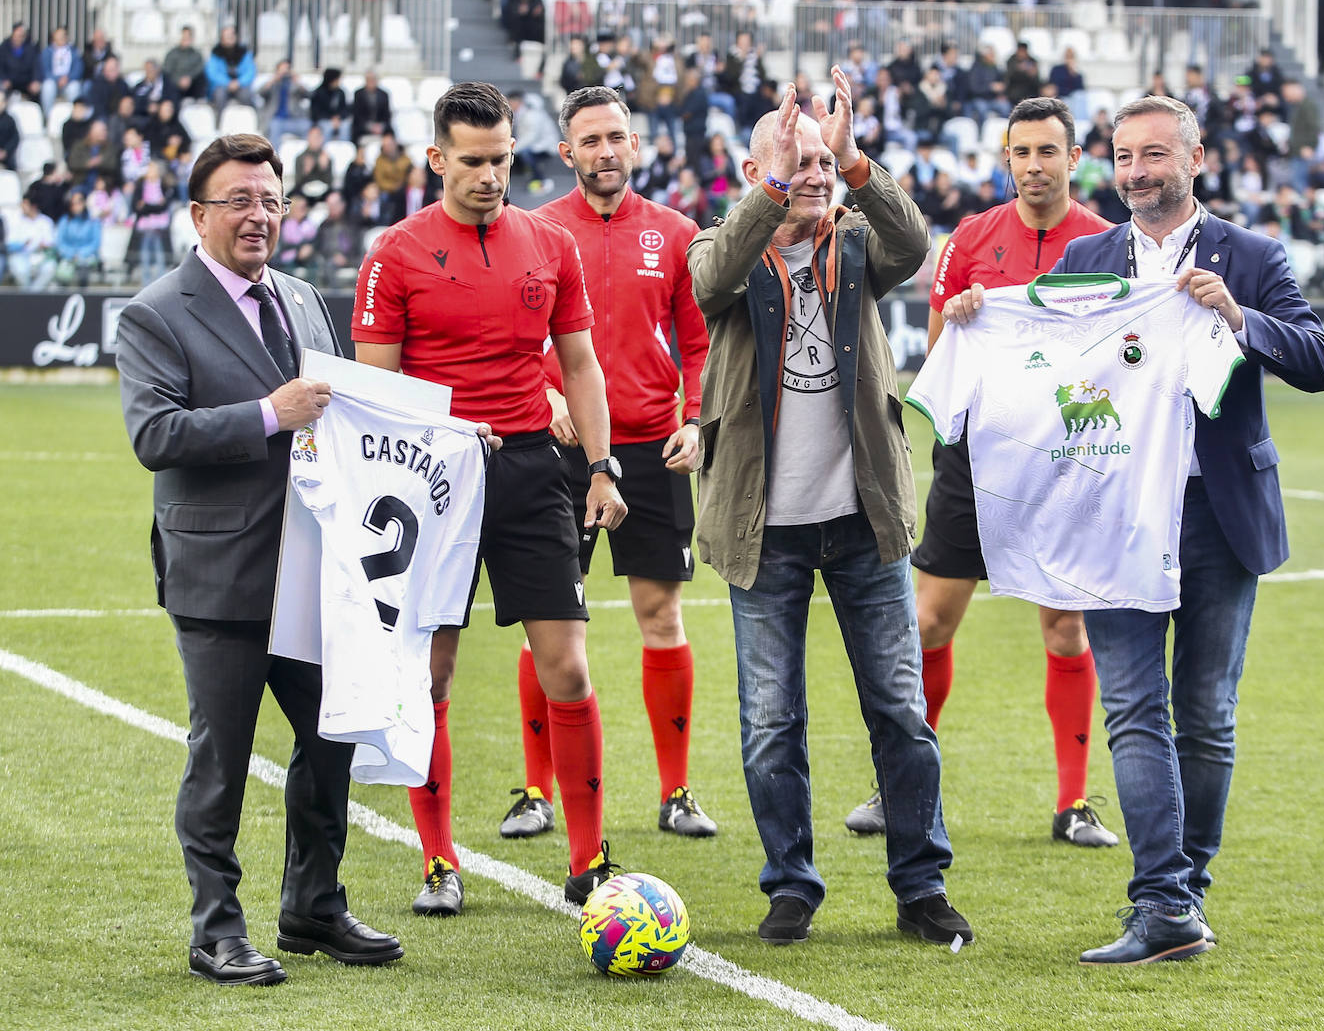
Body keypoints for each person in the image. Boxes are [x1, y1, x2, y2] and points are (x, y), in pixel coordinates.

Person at [1033, 95, 1324, 963]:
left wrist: (1242, 318)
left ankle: (1183, 889)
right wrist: (985, 318)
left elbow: (1320, 360)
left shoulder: (1251, 254)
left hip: (1216, 513)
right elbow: (1043, 362)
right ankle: (1162, 899)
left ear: (1195, 158)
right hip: (1116, 512)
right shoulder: (1087, 258)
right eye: (1125, 157)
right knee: (1133, 708)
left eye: (1155, 155)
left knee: (1205, 714)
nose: (1137, 172)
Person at [686, 69, 972, 946]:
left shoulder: (856, 244)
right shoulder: (724, 243)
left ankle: (920, 885)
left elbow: (914, 242)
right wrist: (774, 188)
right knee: (773, 720)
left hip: (864, 520)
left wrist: (853, 160)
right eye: (793, 161)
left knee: (899, 709)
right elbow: (710, 283)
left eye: (818, 162)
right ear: (756, 165)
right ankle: (791, 886)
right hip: (759, 524)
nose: (809, 174)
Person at [115, 133, 403, 985]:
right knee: (223, 755)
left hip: (316, 570)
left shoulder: (306, 298)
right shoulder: (155, 311)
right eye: (239, 200)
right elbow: (154, 435)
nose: (259, 215)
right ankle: (216, 930)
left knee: (331, 739)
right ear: (198, 214)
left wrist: (452, 436)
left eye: (271, 200)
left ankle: (313, 906)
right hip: (222, 575)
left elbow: (350, 409)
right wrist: (270, 414)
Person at [350, 82, 627, 917]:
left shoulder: (549, 243)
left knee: (569, 665)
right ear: (438, 159)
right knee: (433, 669)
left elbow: (578, 364)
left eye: (501, 159)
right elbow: (378, 387)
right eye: (472, 161)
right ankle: (438, 859)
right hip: (432, 482)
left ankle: (589, 860)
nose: (489, 175)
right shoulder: (394, 253)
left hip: (534, 473)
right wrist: (444, 439)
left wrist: (605, 464)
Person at [841, 98, 1120, 851]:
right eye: (1021, 152)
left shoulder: (1105, 242)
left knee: (1065, 625)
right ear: (1006, 160)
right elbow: (937, 355)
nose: (1034, 165)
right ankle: (899, 782)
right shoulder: (971, 238)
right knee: (929, 621)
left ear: (1073, 157)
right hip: (977, 457)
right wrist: (964, 316)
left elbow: (1123, 354)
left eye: (1047, 152)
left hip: (1066, 462)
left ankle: (1073, 802)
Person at [496, 85, 714, 843]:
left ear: (635, 143)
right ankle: (535, 790)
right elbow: (517, 341)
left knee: (662, 614)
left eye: (616, 136)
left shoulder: (678, 231)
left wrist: (694, 420)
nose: (606, 151)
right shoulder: (533, 230)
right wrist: (545, 395)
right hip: (559, 454)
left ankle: (677, 790)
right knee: (549, 627)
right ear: (567, 153)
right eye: (590, 140)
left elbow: (699, 344)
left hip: (653, 448)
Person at [8, 194, 57, 288]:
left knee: (50, 268)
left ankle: (33, 296)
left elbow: (51, 243)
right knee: (20, 270)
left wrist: (44, 245)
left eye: (25, 204)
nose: (22, 207)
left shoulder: (46, 221)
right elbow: (9, 244)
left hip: (41, 256)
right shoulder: (16, 221)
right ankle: (27, 297)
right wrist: (23, 244)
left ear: (33, 206)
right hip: (21, 255)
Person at [206, 25, 256, 116]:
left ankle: (249, 121)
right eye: (227, 37)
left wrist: (239, 82)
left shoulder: (244, 52)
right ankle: (220, 123)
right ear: (222, 39)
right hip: (222, 86)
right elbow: (212, 73)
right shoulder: (216, 53)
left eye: (231, 36)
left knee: (246, 96)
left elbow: (250, 71)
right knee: (219, 95)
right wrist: (227, 83)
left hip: (240, 85)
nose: (230, 39)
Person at [40, 25, 83, 118]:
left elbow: (78, 69)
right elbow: (45, 70)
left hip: (69, 81)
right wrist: (57, 79)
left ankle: (74, 117)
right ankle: (48, 118)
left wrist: (68, 78)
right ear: (54, 37)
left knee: (75, 88)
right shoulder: (47, 52)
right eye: (59, 36)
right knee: (47, 87)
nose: (61, 38)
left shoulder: (74, 51)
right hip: (53, 81)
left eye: (63, 35)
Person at [163, 25, 206, 104]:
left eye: (188, 37)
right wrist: (178, 80)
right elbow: (167, 70)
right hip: (176, 84)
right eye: (184, 36)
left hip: (191, 83)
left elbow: (199, 68)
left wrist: (189, 78)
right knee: (167, 81)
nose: (186, 39)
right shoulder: (172, 54)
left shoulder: (196, 54)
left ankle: (200, 103)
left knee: (201, 77)